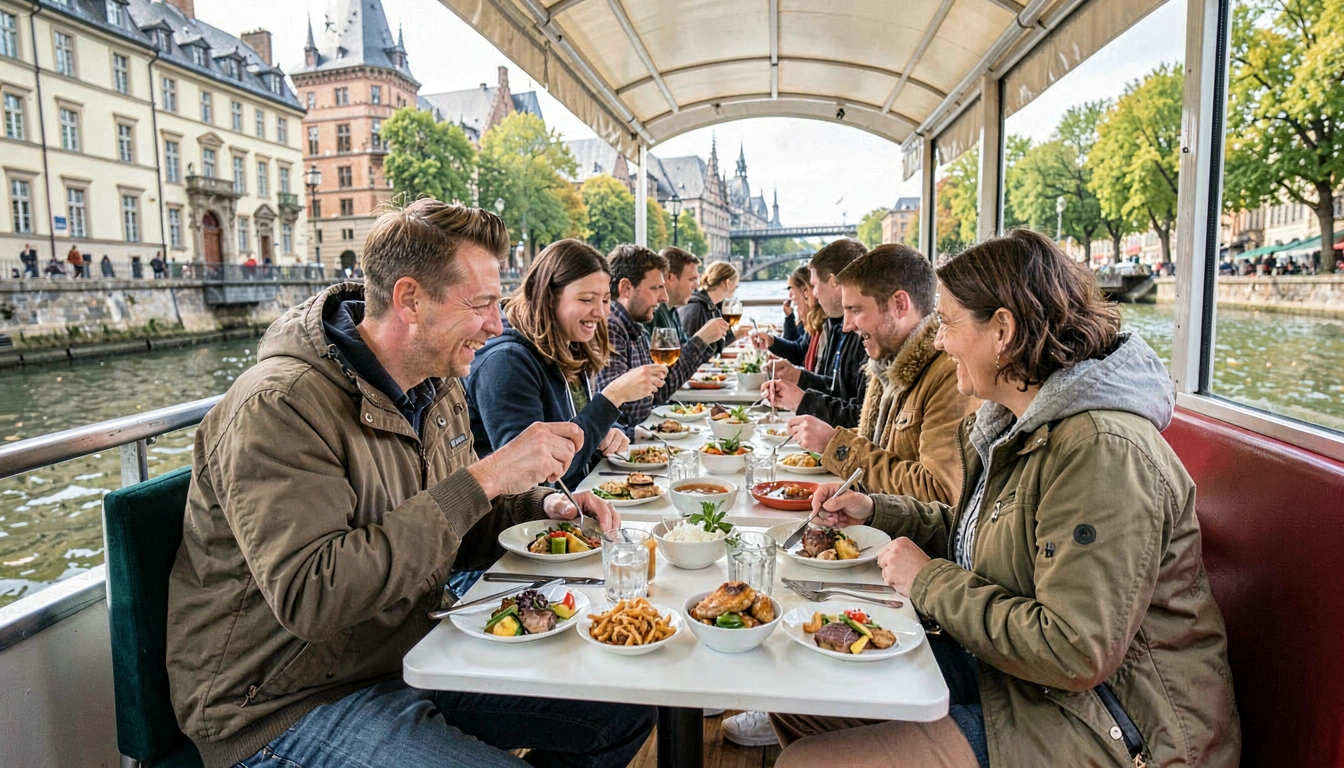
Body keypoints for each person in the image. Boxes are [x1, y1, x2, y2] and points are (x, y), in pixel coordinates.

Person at [166, 199, 656, 768]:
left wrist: (544, 507)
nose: (497, 325)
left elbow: (456, 526)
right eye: (481, 305)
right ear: (409, 300)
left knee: (624, 707)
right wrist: (485, 477)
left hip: (409, 647)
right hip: (283, 700)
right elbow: (312, 595)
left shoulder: (436, 383)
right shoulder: (278, 405)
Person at [772, 228, 1240, 768]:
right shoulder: (1014, 425)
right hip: (1014, 678)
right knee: (797, 694)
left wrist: (925, 579)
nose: (941, 343)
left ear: (1002, 330)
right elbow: (980, 536)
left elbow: (1073, 649)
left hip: (1111, 727)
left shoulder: (1101, 451)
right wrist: (877, 509)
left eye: (946, 324)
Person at [722, 244, 979, 749]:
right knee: (778, 564)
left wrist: (839, 449)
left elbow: (941, 494)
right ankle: (758, 682)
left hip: (913, 564)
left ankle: (779, 692)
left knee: (785, 581)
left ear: (901, 305)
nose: (845, 324)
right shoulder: (892, 366)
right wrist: (863, 501)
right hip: (886, 538)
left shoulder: (946, 377)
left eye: (857, 310)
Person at [466, 238, 667, 488]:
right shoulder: (506, 363)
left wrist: (605, 432)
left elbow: (574, 426)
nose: (600, 312)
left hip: (579, 494)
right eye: (586, 300)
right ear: (550, 297)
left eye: (605, 300)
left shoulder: (569, 340)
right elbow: (539, 478)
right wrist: (612, 398)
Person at [597, 245, 729, 434]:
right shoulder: (611, 328)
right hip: (625, 448)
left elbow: (656, 392)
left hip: (639, 434)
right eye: (657, 288)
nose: (663, 297)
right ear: (626, 288)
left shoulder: (635, 326)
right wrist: (701, 340)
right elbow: (622, 412)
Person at [761, 238, 869, 428]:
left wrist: (803, 400)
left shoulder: (866, 335)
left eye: (814, 286)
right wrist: (799, 378)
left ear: (834, 282)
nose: (814, 294)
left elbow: (862, 417)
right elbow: (836, 389)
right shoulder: (832, 324)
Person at [752, 265, 821, 367]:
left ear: (805, 288)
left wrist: (789, 318)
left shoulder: (820, 322)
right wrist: (771, 341)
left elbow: (796, 353)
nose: (789, 296)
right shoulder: (815, 320)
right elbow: (799, 350)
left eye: (791, 288)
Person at [641, 246, 701, 344]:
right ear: (670, 278)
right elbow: (667, 357)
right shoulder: (650, 313)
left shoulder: (672, 311)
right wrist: (703, 338)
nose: (697, 286)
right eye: (692, 279)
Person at [677, 260, 739, 355]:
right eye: (736, 286)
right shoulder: (695, 307)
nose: (735, 289)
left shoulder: (713, 307)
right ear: (728, 283)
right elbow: (689, 350)